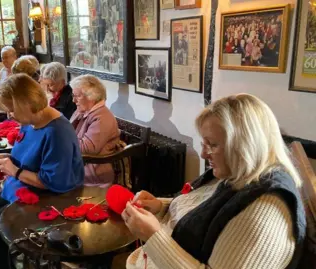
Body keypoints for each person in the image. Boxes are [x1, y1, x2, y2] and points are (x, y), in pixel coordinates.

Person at [123, 94, 306, 269]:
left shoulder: (265, 212)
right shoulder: (241, 174)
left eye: (212, 145)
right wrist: (160, 206)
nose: (203, 154)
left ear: (245, 145)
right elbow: (207, 207)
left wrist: (153, 236)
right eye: (204, 144)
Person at [0, 74, 84, 269]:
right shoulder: (31, 122)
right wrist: (6, 157)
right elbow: (26, 155)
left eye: (11, 110)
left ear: (25, 104)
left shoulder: (57, 131)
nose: (9, 116)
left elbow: (54, 182)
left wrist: (14, 170)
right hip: (22, 187)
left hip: (49, 197)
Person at [69, 75, 119, 186]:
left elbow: (87, 149)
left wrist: (60, 138)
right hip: (78, 168)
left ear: (91, 96)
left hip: (93, 176)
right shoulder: (81, 111)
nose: (74, 100)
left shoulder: (102, 118)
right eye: (73, 95)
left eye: (77, 96)